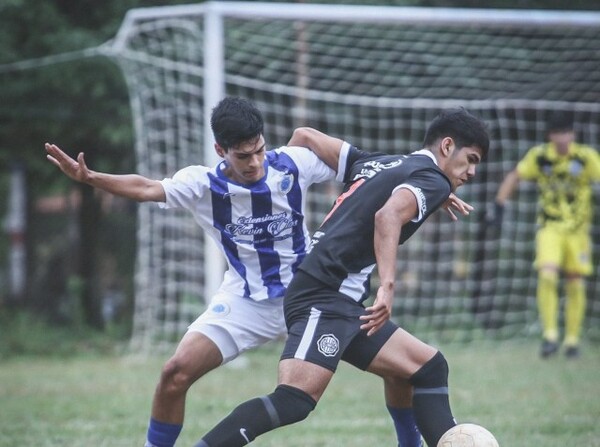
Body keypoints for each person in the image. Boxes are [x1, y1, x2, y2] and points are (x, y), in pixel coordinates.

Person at [46, 97, 464, 447]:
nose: (255, 162)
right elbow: (145, 188)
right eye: (243, 155)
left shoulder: (292, 164)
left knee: (408, 368)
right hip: (247, 301)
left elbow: (367, 169)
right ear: (220, 151)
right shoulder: (203, 184)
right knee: (175, 373)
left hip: (317, 293)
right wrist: (91, 178)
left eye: (260, 149)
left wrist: (427, 186)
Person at [193, 107, 490, 447]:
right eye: (470, 159)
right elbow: (388, 216)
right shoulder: (430, 179)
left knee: (427, 367)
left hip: (338, 299)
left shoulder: (383, 163)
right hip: (324, 295)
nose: (471, 172)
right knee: (294, 399)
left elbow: (304, 136)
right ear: (447, 146)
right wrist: (388, 287)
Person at [493, 110, 600, 359]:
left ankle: (572, 340)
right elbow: (515, 176)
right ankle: (550, 335)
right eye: (557, 133)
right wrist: (499, 206)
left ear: (573, 134)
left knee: (575, 282)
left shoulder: (585, 157)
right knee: (548, 276)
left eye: (565, 133)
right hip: (549, 228)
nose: (561, 138)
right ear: (550, 135)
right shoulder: (540, 156)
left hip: (578, 232)